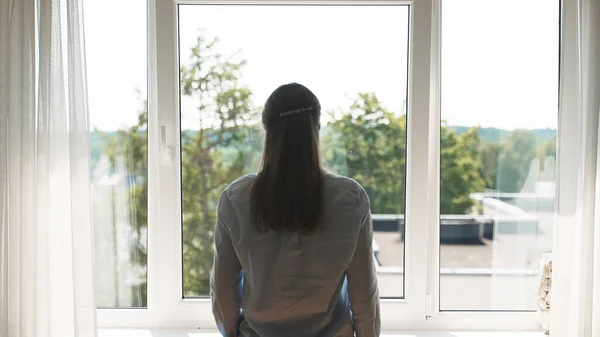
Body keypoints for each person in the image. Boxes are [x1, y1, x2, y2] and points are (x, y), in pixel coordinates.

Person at [210, 82, 380, 337]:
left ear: (266, 131)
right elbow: (364, 296)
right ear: (317, 128)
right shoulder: (351, 198)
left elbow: (223, 293)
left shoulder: (235, 199)